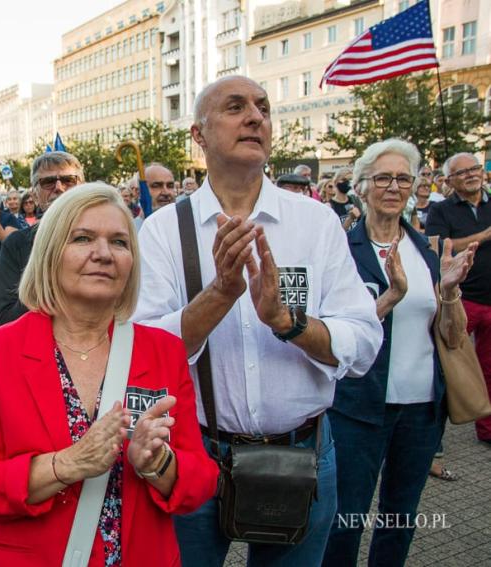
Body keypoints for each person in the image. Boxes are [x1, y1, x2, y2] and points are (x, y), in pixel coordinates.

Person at [133, 76, 382, 567]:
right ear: (199, 136)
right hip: (195, 454)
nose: (255, 116)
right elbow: (142, 348)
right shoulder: (163, 229)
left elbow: (364, 338)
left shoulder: (315, 222)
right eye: (235, 106)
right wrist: (220, 295)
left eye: (263, 107)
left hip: (304, 452)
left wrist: (290, 323)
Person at [0, 183, 216, 566]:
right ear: (50, 253)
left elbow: (201, 481)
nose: (104, 254)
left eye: (120, 242)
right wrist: (68, 464)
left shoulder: (163, 351)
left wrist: (158, 464)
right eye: (83, 238)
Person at [323, 139, 476, 566]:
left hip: (423, 410)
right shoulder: (341, 252)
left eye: (404, 178)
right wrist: (389, 297)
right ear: (361, 186)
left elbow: (451, 335)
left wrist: (448, 293)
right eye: (383, 178)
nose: (394, 186)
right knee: (345, 519)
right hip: (357, 409)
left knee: (400, 517)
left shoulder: (426, 251)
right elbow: (333, 333)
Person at [425, 152, 491, 446]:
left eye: (474, 168)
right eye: (462, 172)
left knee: (488, 368)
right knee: (448, 364)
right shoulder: (442, 210)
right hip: (461, 300)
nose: (471, 174)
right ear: (450, 181)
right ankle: (433, 437)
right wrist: (485, 235)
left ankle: (486, 429)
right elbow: (441, 247)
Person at [0, 152, 84, 326]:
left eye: (69, 180)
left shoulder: (105, 237)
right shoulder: (16, 244)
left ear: (83, 187)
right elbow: (7, 318)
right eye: (48, 182)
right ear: (34, 195)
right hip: (37, 344)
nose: (59, 187)